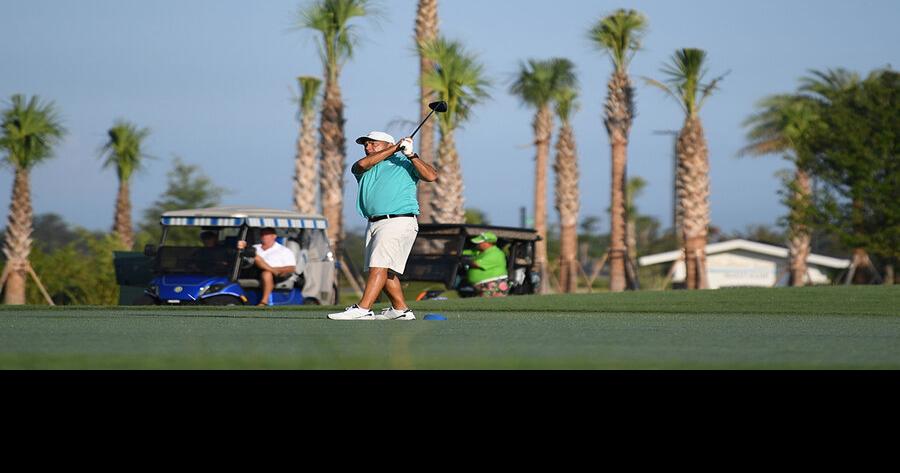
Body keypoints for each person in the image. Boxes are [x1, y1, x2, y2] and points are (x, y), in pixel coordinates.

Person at [328, 131, 437, 320]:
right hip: (374, 223)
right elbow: (361, 164)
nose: (367, 148)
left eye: (373, 144)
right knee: (384, 269)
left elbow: (431, 176)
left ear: (387, 144)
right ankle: (400, 310)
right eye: (365, 145)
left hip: (398, 220)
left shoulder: (405, 163)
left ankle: (363, 309)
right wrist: (396, 147)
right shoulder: (364, 166)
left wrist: (411, 155)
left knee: (378, 264)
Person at [237, 227, 297, 306]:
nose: (263, 236)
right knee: (255, 257)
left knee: (266, 273)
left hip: (277, 275)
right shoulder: (255, 247)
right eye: (262, 234)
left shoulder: (284, 251)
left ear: (274, 236)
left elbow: (291, 268)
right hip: (255, 271)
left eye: (266, 234)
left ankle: (264, 302)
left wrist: (274, 270)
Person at [463, 231, 510, 297]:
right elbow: (463, 253)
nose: (477, 244)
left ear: (486, 243)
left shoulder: (495, 253)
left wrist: (465, 260)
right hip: (484, 286)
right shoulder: (481, 252)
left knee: (490, 305)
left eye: (479, 243)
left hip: (492, 285)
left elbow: (476, 264)